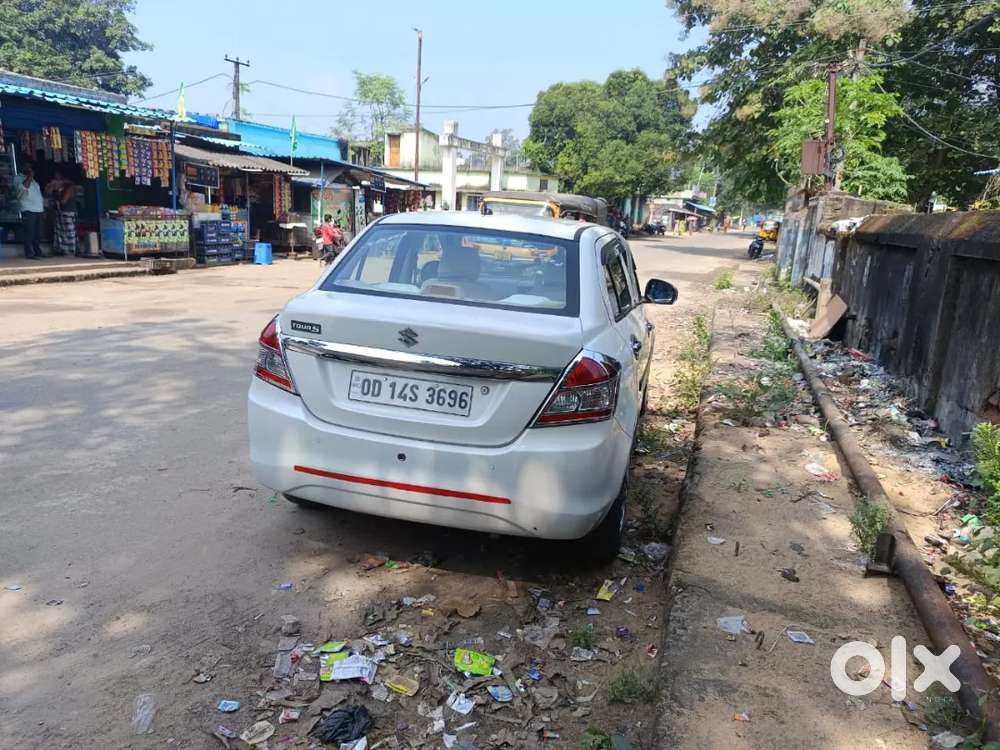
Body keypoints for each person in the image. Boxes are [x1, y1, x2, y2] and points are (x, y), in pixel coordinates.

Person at [18, 166, 44, 259]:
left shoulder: (35, 182)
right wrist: (29, 177)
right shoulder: (19, 178)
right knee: (29, 232)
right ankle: (29, 253)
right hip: (28, 209)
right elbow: (24, 187)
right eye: (29, 169)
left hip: (38, 210)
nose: (31, 171)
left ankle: (38, 252)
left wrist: (42, 209)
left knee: (38, 233)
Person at [52, 173, 78, 256]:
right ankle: (63, 250)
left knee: (70, 232)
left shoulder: (69, 187)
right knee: (61, 232)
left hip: (68, 212)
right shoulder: (61, 188)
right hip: (62, 212)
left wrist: (57, 197)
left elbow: (64, 201)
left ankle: (71, 251)